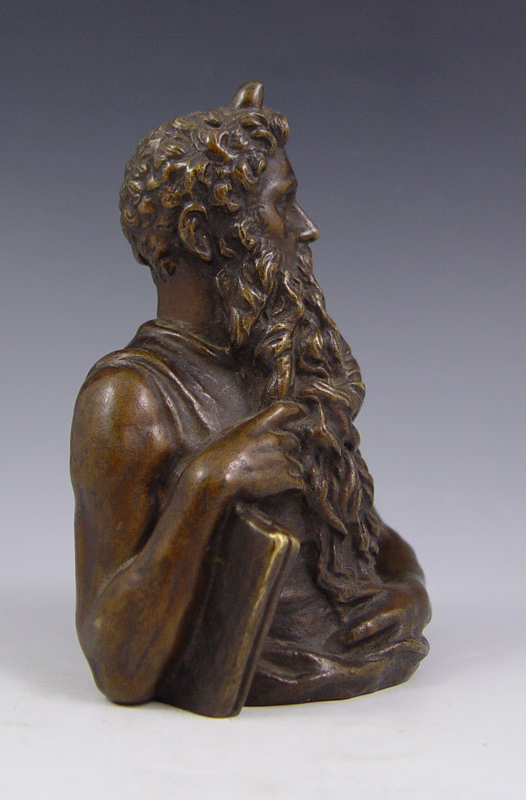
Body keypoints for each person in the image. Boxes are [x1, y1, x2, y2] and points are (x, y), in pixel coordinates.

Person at [70, 82, 431, 716]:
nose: (307, 228)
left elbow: (364, 532)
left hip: (357, 656)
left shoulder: (281, 364)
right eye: (282, 204)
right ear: (199, 234)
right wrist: (207, 486)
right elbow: (116, 664)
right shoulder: (128, 402)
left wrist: (410, 593)